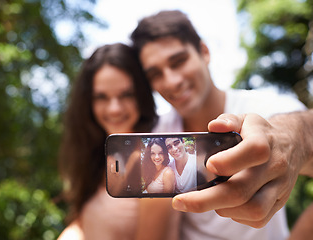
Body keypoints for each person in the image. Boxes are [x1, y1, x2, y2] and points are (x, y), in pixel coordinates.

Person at [130, 10, 307, 240]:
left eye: (179, 61)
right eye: (155, 74)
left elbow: (305, 130)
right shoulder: (156, 140)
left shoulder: (267, 108)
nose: (171, 81)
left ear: (204, 52)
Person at [57, 43, 179, 240]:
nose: (114, 109)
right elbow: (83, 224)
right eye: (101, 97)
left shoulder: (152, 160)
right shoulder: (102, 156)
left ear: (142, 95)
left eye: (126, 95)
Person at [173, 111, 313, 231]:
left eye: (176, 143)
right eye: (156, 77)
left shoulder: (275, 102)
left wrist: (297, 138)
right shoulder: (159, 125)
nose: (174, 81)